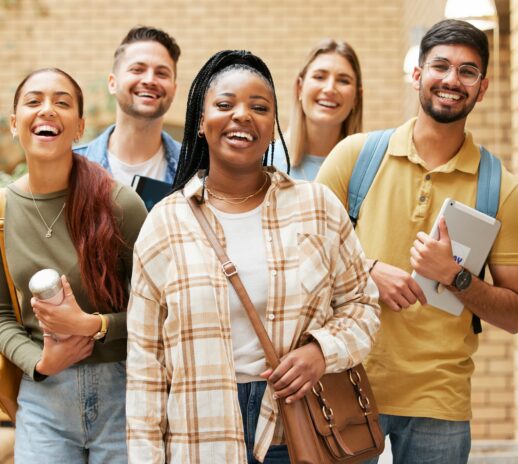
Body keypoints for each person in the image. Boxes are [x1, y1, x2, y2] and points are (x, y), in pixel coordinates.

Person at [125, 50, 380, 464]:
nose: (242, 116)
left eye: (259, 108)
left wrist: (321, 351)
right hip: (200, 435)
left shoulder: (318, 207)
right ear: (202, 123)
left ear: (272, 127)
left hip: (297, 429)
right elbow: (145, 364)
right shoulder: (165, 224)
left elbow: (363, 305)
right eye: (225, 105)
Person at [315, 19, 518, 464]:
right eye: (441, 66)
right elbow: (296, 252)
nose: (453, 80)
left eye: (468, 71)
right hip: (348, 380)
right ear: (418, 74)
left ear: (483, 87)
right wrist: (369, 272)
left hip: (440, 403)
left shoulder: (501, 189)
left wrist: (455, 277)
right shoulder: (354, 158)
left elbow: (516, 314)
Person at [0, 68, 147, 463]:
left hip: (121, 392)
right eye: (33, 101)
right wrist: (39, 362)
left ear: (80, 127)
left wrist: (92, 326)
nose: (47, 110)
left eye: (62, 102)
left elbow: (156, 311)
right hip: (43, 398)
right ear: (14, 123)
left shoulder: (120, 205)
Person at [74, 25, 181, 186]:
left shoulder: (198, 171)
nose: (150, 80)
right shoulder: (71, 169)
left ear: (173, 89)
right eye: (137, 69)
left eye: (161, 73)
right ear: (112, 83)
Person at [272, 38, 363, 180]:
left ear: (357, 97)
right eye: (319, 77)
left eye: (343, 80)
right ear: (299, 88)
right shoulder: (263, 163)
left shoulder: (370, 171)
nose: (330, 89)